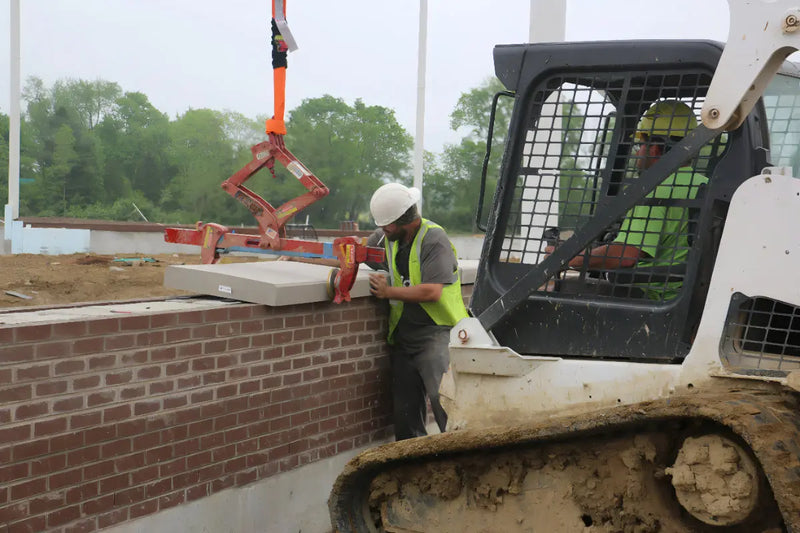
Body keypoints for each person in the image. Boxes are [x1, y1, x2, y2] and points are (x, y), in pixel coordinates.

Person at [560, 100, 709, 300]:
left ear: (655, 148)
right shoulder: (704, 184)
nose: (636, 152)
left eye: (640, 144)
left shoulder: (655, 187)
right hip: (683, 296)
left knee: (562, 289)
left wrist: (573, 257)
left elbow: (627, 255)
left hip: (650, 298)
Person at [366, 183, 469, 441]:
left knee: (443, 399)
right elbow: (353, 255)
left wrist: (388, 292)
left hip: (438, 332)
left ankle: (459, 453)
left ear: (404, 221)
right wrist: (297, 257)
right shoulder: (386, 237)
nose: (381, 230)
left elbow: (432, 292)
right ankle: (412, 463)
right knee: (405, 410)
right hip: (405, 335)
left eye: (386, 225)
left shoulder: (434, 239)